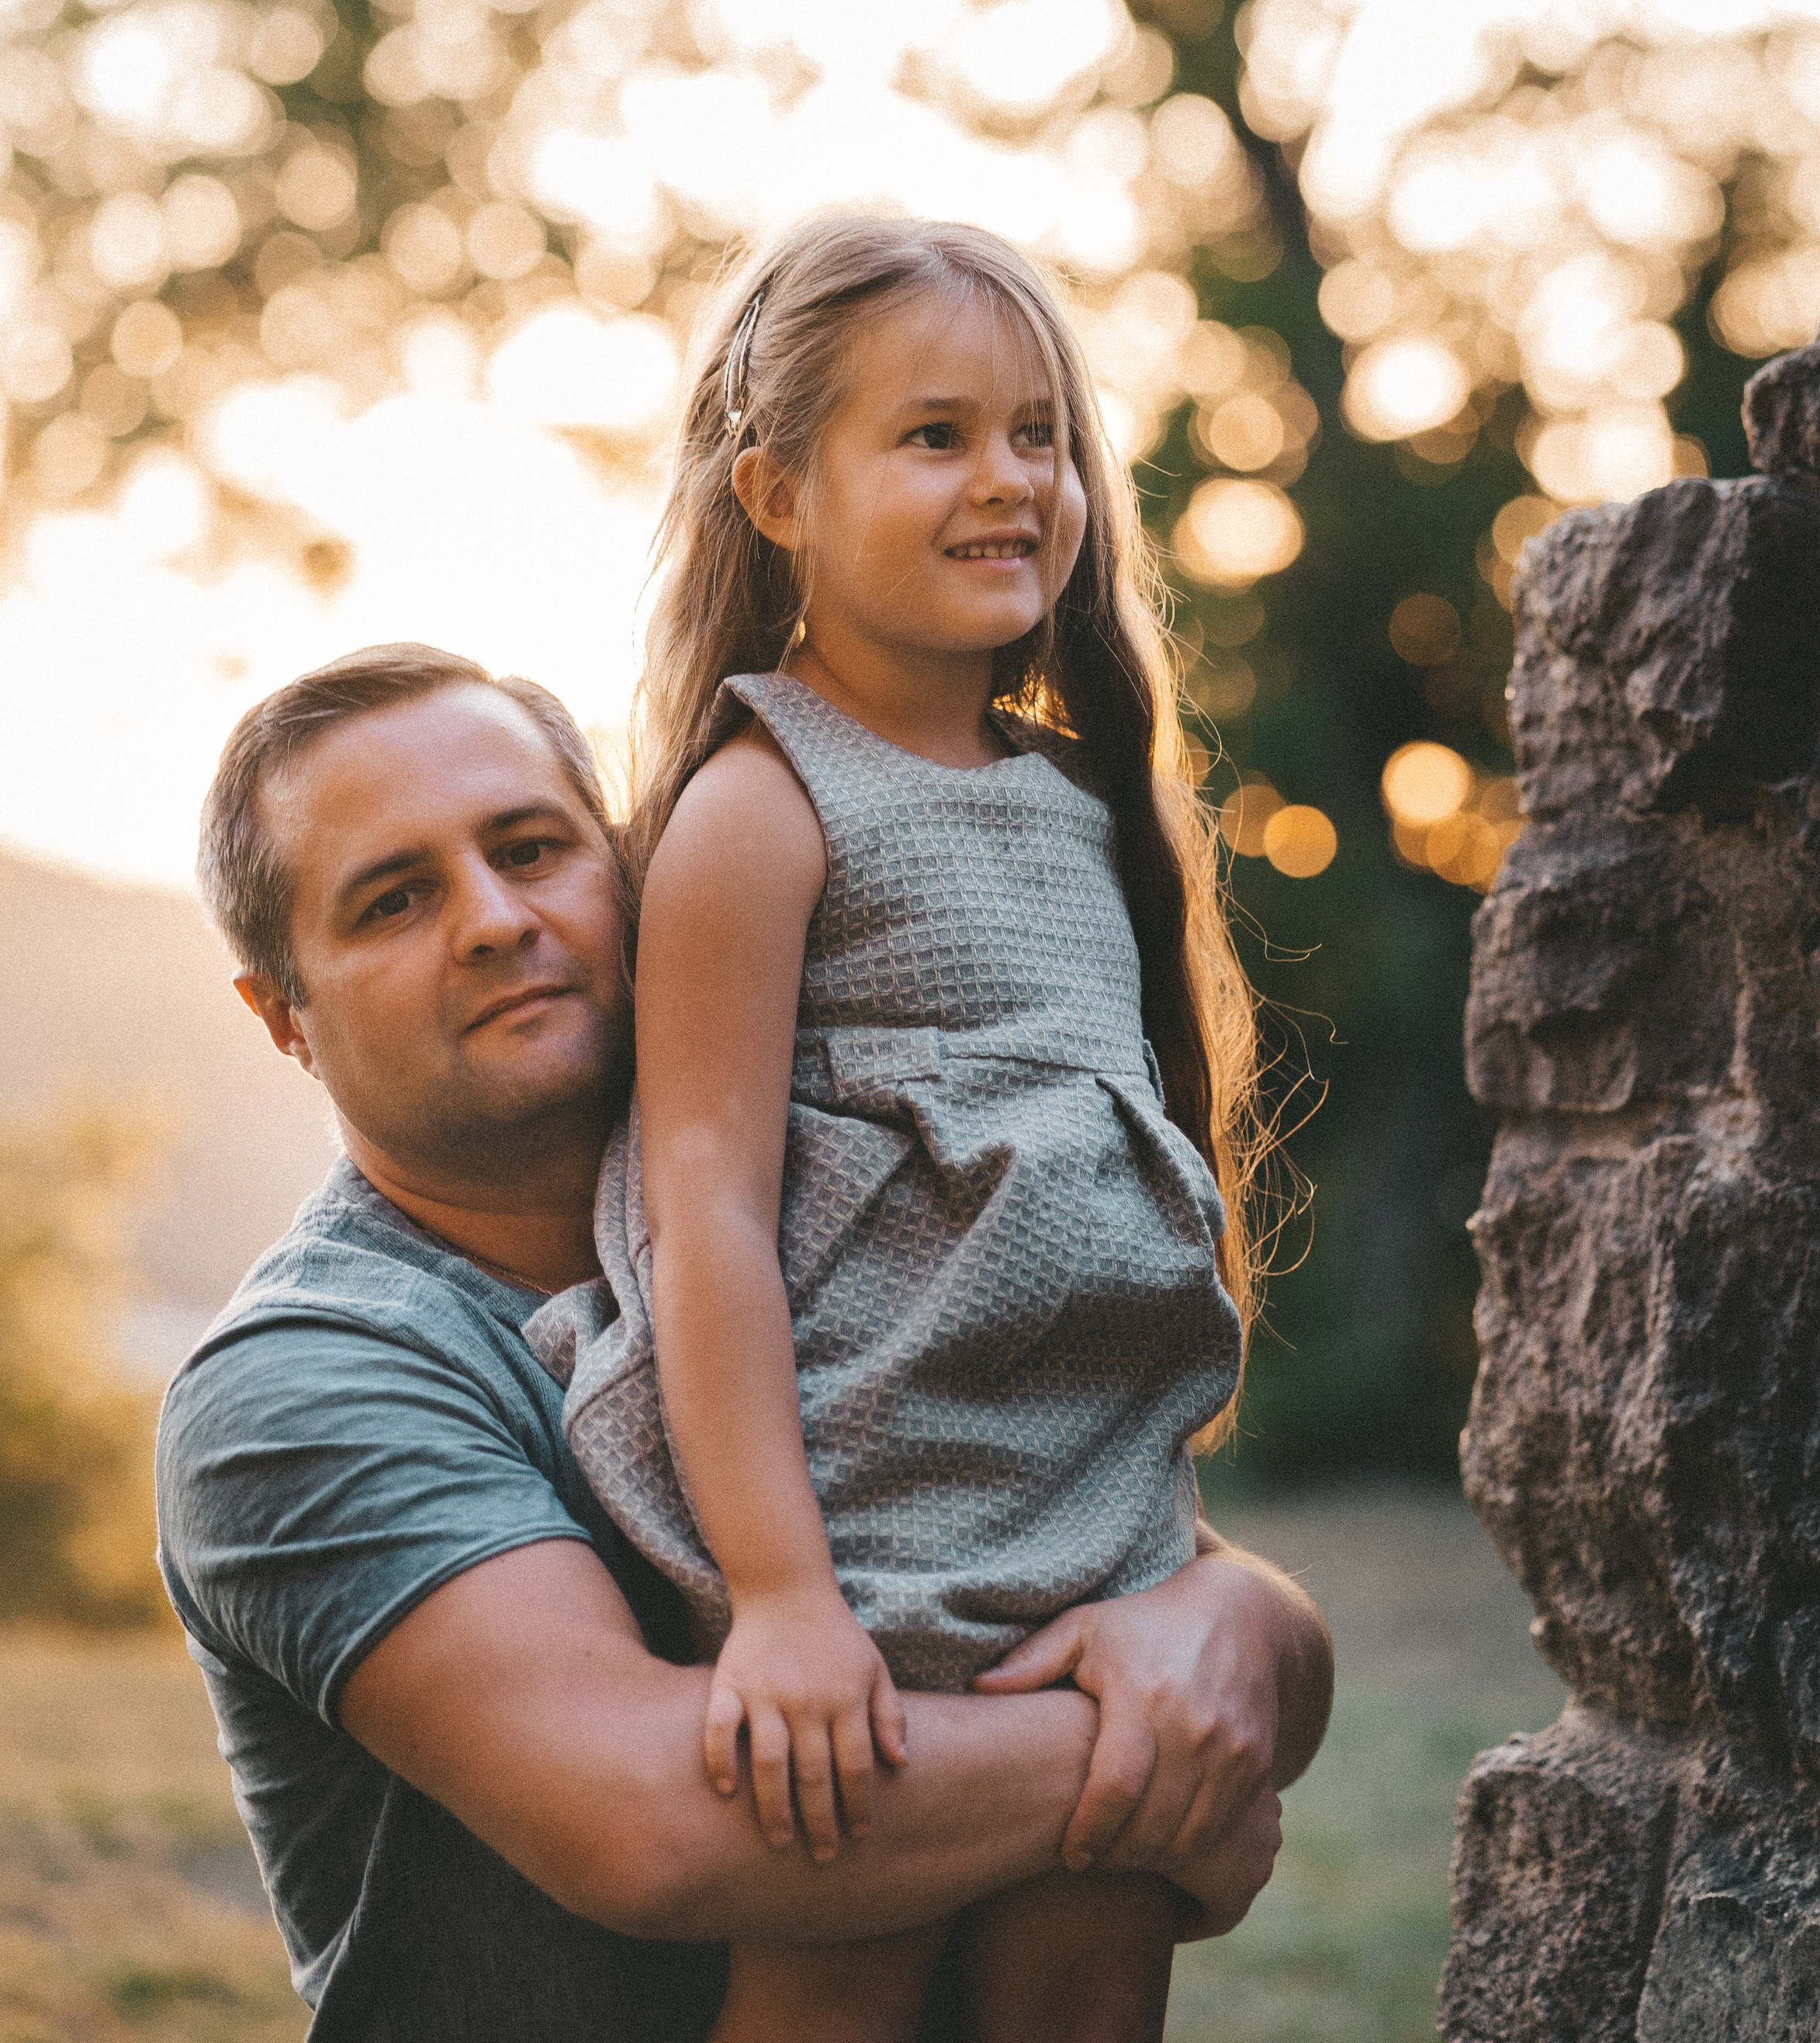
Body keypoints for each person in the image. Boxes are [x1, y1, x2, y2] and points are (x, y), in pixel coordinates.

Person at [158, 639, 1332, 2042]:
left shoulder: (818, 1207)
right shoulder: (303, 1381)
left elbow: (1158, 1580)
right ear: (283, 1015)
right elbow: (658, 1823)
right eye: (394, 900)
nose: (492, 920)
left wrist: (1242, 1628)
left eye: (532, 849)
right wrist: (1154, 1772)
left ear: (626, 869)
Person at [536, 215, 1279, 2043]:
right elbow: (700, 1219)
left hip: (1086, 1531)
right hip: (866, 1538)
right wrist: (784, 1599)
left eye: (1038, 434)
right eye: (934, 436)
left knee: (1087, 1965)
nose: (1008, 479)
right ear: (777, 492)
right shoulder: (761, 803)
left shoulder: (1086, 810)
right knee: (840, 1980)